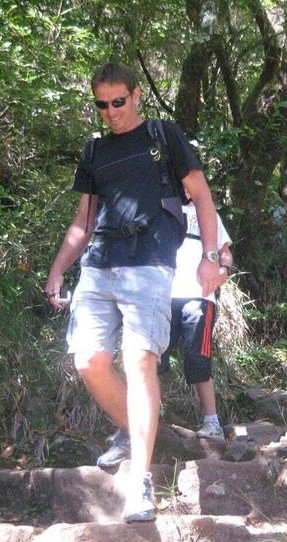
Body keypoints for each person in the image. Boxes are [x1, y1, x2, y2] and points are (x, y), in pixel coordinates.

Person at [44, 62, 221, 523]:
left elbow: (201, 196)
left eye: (118, 102)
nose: (111, 112)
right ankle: (130, 428)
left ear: (136, 95)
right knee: (88, 360)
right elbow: (83, 222)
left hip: (150, 260)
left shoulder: (163, 136)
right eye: (102, 105)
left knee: (140, 358)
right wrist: (58, 269)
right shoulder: (94, 151)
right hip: (100, 264)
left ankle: (140, 481)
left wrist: (210, 256)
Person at [97, 194, 233, 453]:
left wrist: (224, 272)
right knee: (151, 357)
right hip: (160, 293)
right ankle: (146, 419)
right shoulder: (158, 206)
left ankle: (211, 422)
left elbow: (225, 252)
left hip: (199, 294)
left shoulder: (208, 214)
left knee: (198, 357)